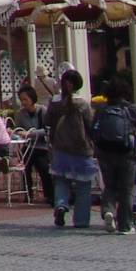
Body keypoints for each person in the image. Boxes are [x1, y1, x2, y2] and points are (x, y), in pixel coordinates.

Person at [44, 70, 98, 229]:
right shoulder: (82, 104)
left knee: (61, 181)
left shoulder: (54, 102)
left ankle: (61, 205)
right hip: (81, 150)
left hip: (60, 149)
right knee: (83, 186)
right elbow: (90, 126)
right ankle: (81, 221)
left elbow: (47, 122)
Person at [92, 78, 136, 234]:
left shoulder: (101, 110)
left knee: (110, 186)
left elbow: (92, 129)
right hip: (127, 153)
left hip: (105, 153)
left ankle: (108, 210)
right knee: (126, 190)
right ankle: (125, 225)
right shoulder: (131, 109)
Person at [12, 82, 53, 205]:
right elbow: (18, 129)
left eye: (25, 99)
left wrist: (31, 133)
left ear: (32, 98)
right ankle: (27, 193)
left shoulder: (42, 111)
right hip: (28, 146)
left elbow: (48, 129)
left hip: (41, 146)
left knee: (43, 168)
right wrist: (15, 132)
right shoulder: (20, 114)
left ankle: (49, 195)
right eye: (21, 100)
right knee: (25, 167)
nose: (23, 102)